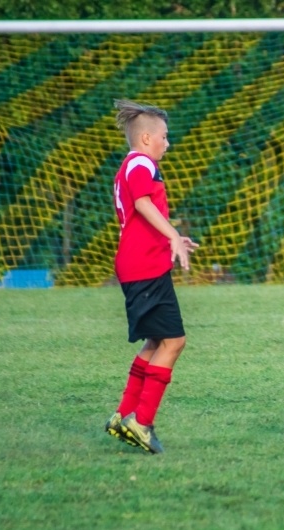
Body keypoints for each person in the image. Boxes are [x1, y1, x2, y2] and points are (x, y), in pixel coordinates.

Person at [104, 99, 199, 454]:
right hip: (144, 267)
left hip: (140, 265)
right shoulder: (141, 163)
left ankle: (124, 414)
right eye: (164, 136)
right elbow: (142, 203)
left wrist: (171, 237)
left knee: (156, 343)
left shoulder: (131, 164)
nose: (167, 143)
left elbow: (143, 211)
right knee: (174, 342)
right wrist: (172, 235)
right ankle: (141, 423)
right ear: (146, 139)